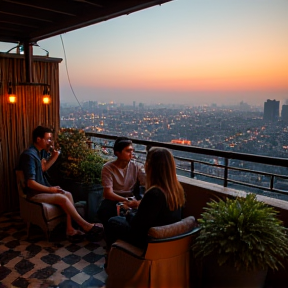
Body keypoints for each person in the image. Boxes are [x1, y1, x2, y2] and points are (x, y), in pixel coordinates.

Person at [19, 126, 103, 241]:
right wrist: (51, 190)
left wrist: (55, 156)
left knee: (68, 194)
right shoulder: (29, 155)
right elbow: (30, 183)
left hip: (43, 189)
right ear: (39, 139)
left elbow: (43, 168)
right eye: (48, 139)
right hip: (34, 193)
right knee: (62, 198)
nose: (50, 142)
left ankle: (70, 229)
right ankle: (86, 225)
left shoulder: (40, 152)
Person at [105, 147, 186, 250]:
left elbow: (137, 226)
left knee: (113, 221)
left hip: (149, 241)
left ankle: (113, 260)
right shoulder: (177, 190)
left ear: (150, 167)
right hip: (168, 239)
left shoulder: (155, 194)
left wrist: (127, 212)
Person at [97, 137, 146, 229]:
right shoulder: (108, 168)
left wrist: (136, 202)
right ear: (117, 153)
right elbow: (108, 193)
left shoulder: (137, 167)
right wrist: (126, 201)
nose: (131, 153)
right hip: (114, 199)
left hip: (131, 198)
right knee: (105, 211)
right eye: (128, 151)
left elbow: (146, 184)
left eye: (132, 150)